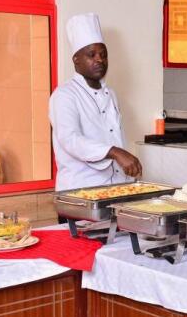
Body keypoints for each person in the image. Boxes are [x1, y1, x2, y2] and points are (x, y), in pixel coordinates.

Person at [49, 13, 142, 191]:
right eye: (91, 55)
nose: (99, 59)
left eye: (103, 55)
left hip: (115, 188)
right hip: (80, 191)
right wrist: (114, 152)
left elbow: (114, 134)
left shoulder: (111, 94)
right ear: (76, 60)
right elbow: (70, 139)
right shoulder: (64, 95)